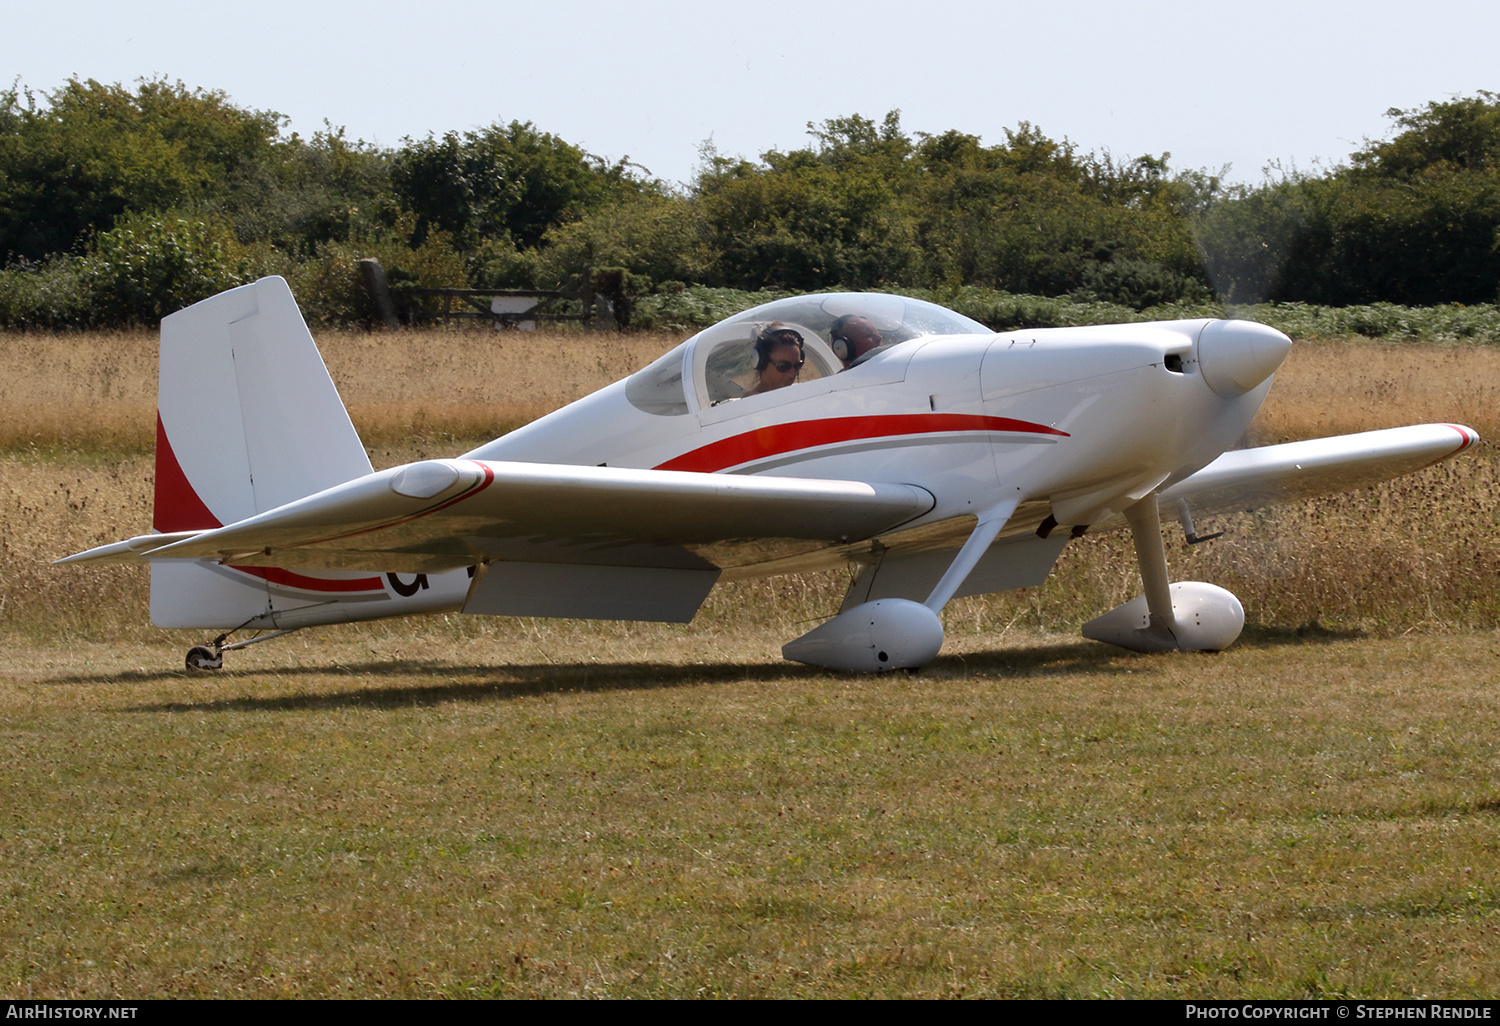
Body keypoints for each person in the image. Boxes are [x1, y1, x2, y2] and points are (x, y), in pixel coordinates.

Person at [743, 326, 805, 396]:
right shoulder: (752, 401)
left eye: (797, 366)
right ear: (762, 363)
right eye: (783, 366)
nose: (792, 374)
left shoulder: (799, 394)